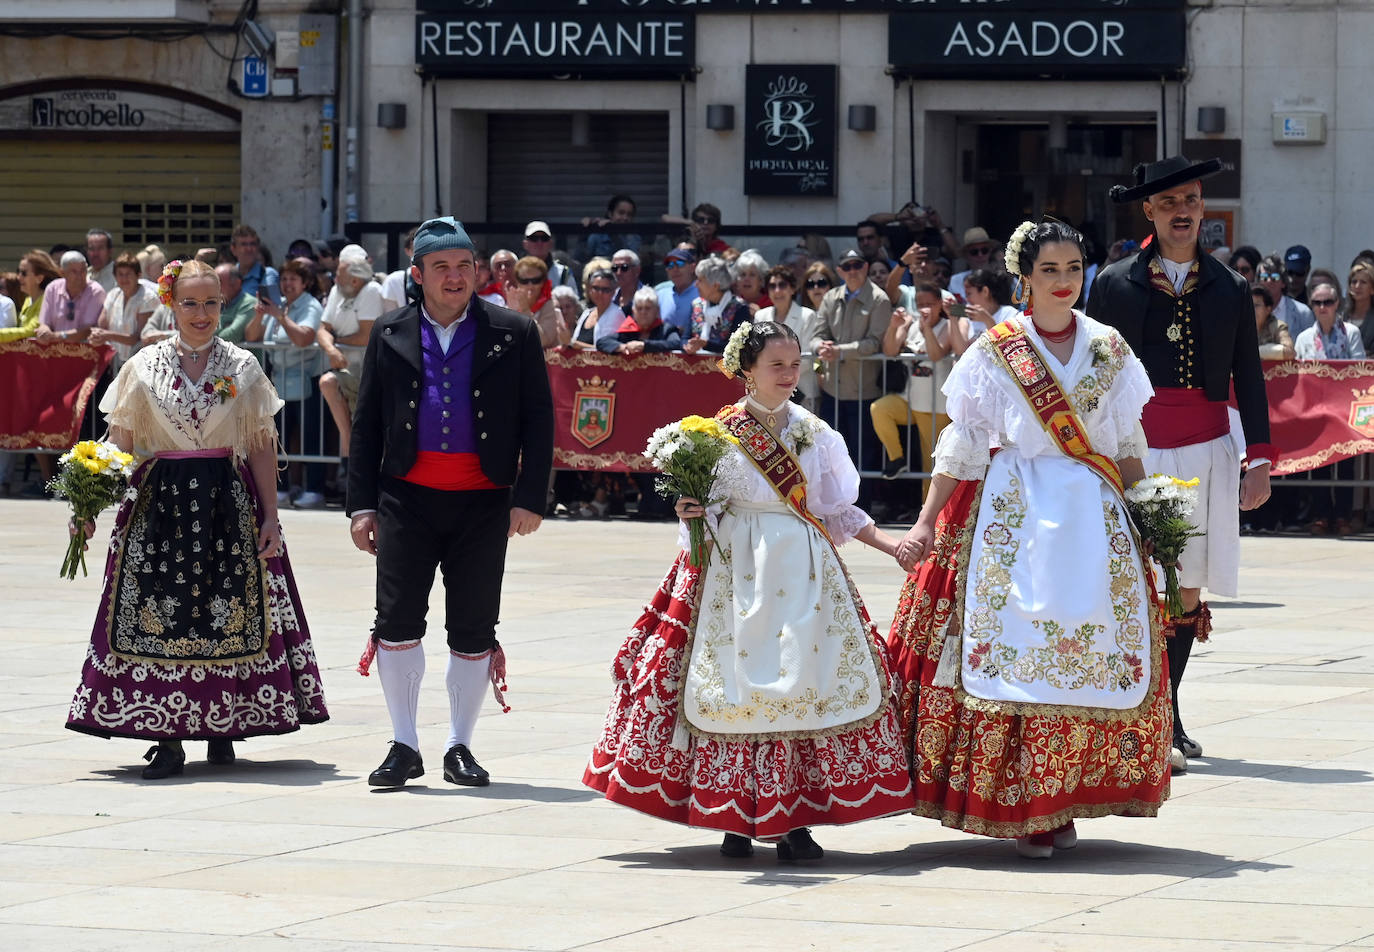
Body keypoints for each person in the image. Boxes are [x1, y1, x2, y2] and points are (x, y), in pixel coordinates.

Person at [886, 220, 1168, 859]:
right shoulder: (995, 349)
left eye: (1074, 269)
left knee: (1091, 644)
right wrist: (929, 519)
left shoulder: (1109, 348)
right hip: (1011, 509)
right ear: (1025, 277)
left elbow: (1126, 444)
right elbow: (961, 442)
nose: (1064, 282)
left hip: (1095, 512)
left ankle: (1066, 795)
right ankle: (1018, 799)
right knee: (1010, 643)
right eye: (1050, 271)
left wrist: (1150, 513)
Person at [584, 321, 915, 860]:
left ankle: (797, 819)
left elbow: (836, 511)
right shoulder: (713, 436)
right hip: (731, 568)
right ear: (746, 371)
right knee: (733, 683)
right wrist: (689, 511)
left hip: (804, 568)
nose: (789, 374)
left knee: (804, 680)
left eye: (795, 363)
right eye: (776, 365)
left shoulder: (817, 434)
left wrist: (892, 547)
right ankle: (735, 817)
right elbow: (702, 511)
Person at [66, 259, 328, 778]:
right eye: (190, 302)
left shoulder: (243, 367)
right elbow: (118, 448)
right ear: (171, 303)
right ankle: (167, 737)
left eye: (211, 302)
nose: (201, 313)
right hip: (157, 509)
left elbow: (257, 446)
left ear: (222, 304)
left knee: (228, 614)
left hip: (227, 505)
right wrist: (86, 506)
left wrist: (272, 515)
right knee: (161, 618)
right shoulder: (142, 368)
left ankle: (222, 725)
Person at [347, 216, 554, 789]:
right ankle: (404, 744)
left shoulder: (514, 330)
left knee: (473, 627)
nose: (456, 276)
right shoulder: (389, 331)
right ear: (417, 275)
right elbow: (366, 426)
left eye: (465, 266)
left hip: (484, 502)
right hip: (405, 501)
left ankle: (460, 745)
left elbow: (539, 420)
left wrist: (530, 497)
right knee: (395, 622)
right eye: (441, 267)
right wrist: (361, 506)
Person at [1087, 155, 1277, 773]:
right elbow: (1099, 377)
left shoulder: (1230, 285)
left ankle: (1165, 711)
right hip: (1134, 449)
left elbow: (1247, 374)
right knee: (1129, 578)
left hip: (1206, 445)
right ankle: (1132, 712)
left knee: (1186, 583)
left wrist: (1260, 460)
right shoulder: (1114, 282)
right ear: (1149, 211)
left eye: (1191, 200)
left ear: (1202, 207)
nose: (1182, 211)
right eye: (1169, 203)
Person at [245, 257, 327, 509]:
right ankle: (281, 486)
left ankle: (314, 488)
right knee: (278, 436)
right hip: (279, 380)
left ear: (305, 283)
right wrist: (261, 316)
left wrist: (281, 317)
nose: (287, 284)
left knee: (311, 436)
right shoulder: (279, 305)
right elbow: (251, 336)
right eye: (284, 279)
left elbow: (304, 338)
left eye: (293, 279)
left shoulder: (310, 305)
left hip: (307, 380)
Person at [810, 249, 892, 483]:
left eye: (857, 265)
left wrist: (838, 351)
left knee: (861, 456)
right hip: (831, 390)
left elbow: (875, 343)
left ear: (865, 267)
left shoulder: (879, 299)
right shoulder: (830, 297)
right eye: (847, 266)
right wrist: (821, 347)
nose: (853, 270)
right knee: (829, 454)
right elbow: (816, 336)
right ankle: (834, 510)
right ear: (839, 271)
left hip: (863, 392)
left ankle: (863, 511)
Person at [1294, 280, 1364, 534]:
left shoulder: (1351, 333)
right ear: (1312, 306)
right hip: (1316, 408)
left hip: (1346, 407)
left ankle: (1343, 515)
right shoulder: (1303, 338)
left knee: (1346, 460)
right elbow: (1299, 372)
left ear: (1337, 304)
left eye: (1328, 302)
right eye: (1317, 302)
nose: (1323, 307)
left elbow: (1358, 369)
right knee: (1320, 461)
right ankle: (1322, 514)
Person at [870, 283, 953, 489]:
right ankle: (896, 458)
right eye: (920, 304)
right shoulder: (912, 325)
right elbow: (890, 351)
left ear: (940, 305)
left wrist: (926, 330)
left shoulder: (948, 325)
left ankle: (931, 516)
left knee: (931, 466)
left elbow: (935, 354)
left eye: (930, 304)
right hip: (910, 399)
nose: (924, 308)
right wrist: (894, 326)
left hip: (936, 406)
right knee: (879, 409)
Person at [318, 246, 387, 484]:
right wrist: (331, 349)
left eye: (339, 274)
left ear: (356, 280)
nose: (334, 278)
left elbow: (366, 335)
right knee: (328, 383)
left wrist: (336, 340)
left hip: (370, 374)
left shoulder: (371, 291)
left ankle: (361, 473)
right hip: (347, 370)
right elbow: (322, 329)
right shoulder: (339, 290)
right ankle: (349, 459)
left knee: (368, 428)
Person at [755, 265, 818, 410]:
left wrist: (775, 373)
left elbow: (808, 358)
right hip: (769, 392)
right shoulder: (761, 316)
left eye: (782, 285)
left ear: (792, 289)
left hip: (802, 393)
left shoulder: (808, 316)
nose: (777, 290)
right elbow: (757, 354)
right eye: (772, 286)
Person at [90, 252, 157, 370]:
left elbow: (138, 339)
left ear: (138, 275)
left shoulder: (148, 298)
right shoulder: (113, 295)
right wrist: (97, 335)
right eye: (120, 274)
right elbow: (102, 325)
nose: (124, 278)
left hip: (142, 364)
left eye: (128, 274)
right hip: (115, 361)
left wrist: (107, 335)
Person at [684, 255, 750, 354]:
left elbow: (738, 346)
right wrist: (688, 345)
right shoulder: (696, 305)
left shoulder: (739, 308)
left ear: (715, 285)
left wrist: (706, 344)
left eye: (700, 280)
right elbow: (684, 338)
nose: (696, 284)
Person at [35, 251, 105, 343]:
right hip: (55, 351)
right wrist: (44, 332)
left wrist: (58, 336)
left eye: (83, 270)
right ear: (62, 273)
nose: (80, 276)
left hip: (85, 352)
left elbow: (87, 330)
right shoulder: (52, 289)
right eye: (74, 272)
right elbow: (44, 323)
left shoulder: (95, 291)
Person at [507, 255, 570, 350]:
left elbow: (542, 340)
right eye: (524, 281)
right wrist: (511, 312)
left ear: (543, 282)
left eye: (536, 281)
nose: (530, 285)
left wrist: (524, 310)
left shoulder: (551, 304)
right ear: (517, 282)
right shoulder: (511, 299)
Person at [597, 286, 681, 355]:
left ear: (657, 311)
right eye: (639, 308)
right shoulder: (628, 330)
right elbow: (602, 342)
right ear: (633, 311)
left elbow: (676, 343)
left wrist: (645, 345)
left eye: (648, 308)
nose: (643, 312)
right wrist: (622, 347)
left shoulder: (666, 329)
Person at [2, 250, 60, 343]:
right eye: (18, 272)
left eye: (24, 273)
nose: (18, 277)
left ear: (39, 278)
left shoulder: (47, 300)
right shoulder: (28, 299)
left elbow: (30, 331)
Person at [1259, 254, 1313, 338]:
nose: (1269, 281)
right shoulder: (1248, 310)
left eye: (1275, 277)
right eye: (1264, 277)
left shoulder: (1303, 313)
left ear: (1283, 283)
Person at [571, 268, 621, 352]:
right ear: (590, 290)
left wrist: (578, 345)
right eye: (596, 288)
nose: (600, 293)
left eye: (605, 290)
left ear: (613, 292)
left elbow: (606, 348)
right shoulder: (586, 313)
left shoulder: (616, 315)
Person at [230, 224, 280, 306]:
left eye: (252, 244)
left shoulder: (267, 275)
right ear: (233, 249)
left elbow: (272, 310)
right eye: (244, 244)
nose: (249, 249)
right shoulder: (228, 275)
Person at [522, 221, 578, 292]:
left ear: (551, 243)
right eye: (534, 238)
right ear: (525, 244)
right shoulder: (515, 272)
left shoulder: (564, 274)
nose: (539, 243)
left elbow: (573, 301)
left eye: (544, 238)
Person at [654, 246, 698, 334]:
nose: (675, 269)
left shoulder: (702, 293)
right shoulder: (659, 294)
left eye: (680, 263)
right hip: (664, 345)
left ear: (692, 268)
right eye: (670, 265)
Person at [583, 194, 641, 258]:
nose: (625, 218)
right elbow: (582, 260)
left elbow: (631, 259)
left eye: (629, 214)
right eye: (621, 213)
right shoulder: (597, 235)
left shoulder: (634, 237)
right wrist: (585, 231)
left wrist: (614, 235)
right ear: (610, 214)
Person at [947, 226, 997, 300]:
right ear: (966, 255)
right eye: (974, 252)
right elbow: (955, 310)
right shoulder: (956, 280)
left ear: (990, 252)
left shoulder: (1003, 279)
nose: (980, 255)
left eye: (984, 250)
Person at [212, 263, 257, 343]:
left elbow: (233, 335)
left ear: (236, 284)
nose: (214, 287)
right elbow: (204, 333)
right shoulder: (215, 304)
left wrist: (209, 340)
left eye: (219, 282)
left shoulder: (249, 303)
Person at [1252, 286, 1295, 360]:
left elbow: (1289, 352)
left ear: (1268, 309)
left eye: (1256, 305)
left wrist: (1255, 352)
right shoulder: (1240, 327)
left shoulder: (1278, 327)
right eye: (1249, 305)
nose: (1252, 309)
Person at [1346, 260, 1374, 353]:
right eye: (1354, 282)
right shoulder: (1342, 316)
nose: (1357, 286)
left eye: (1363, 282)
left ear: (1372, 289)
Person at [732, 250, 771, 314]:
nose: (746, 279)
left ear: (761, 280)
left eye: (752, 275)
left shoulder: (772, 304)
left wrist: (761, 315)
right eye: (743, 274)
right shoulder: (732, 304)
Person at [85, 228, 116, 292]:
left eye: (100, 248)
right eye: (91, 249)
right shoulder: (84, 276)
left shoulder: (120, 276)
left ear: (110, 251)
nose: (95, 254)